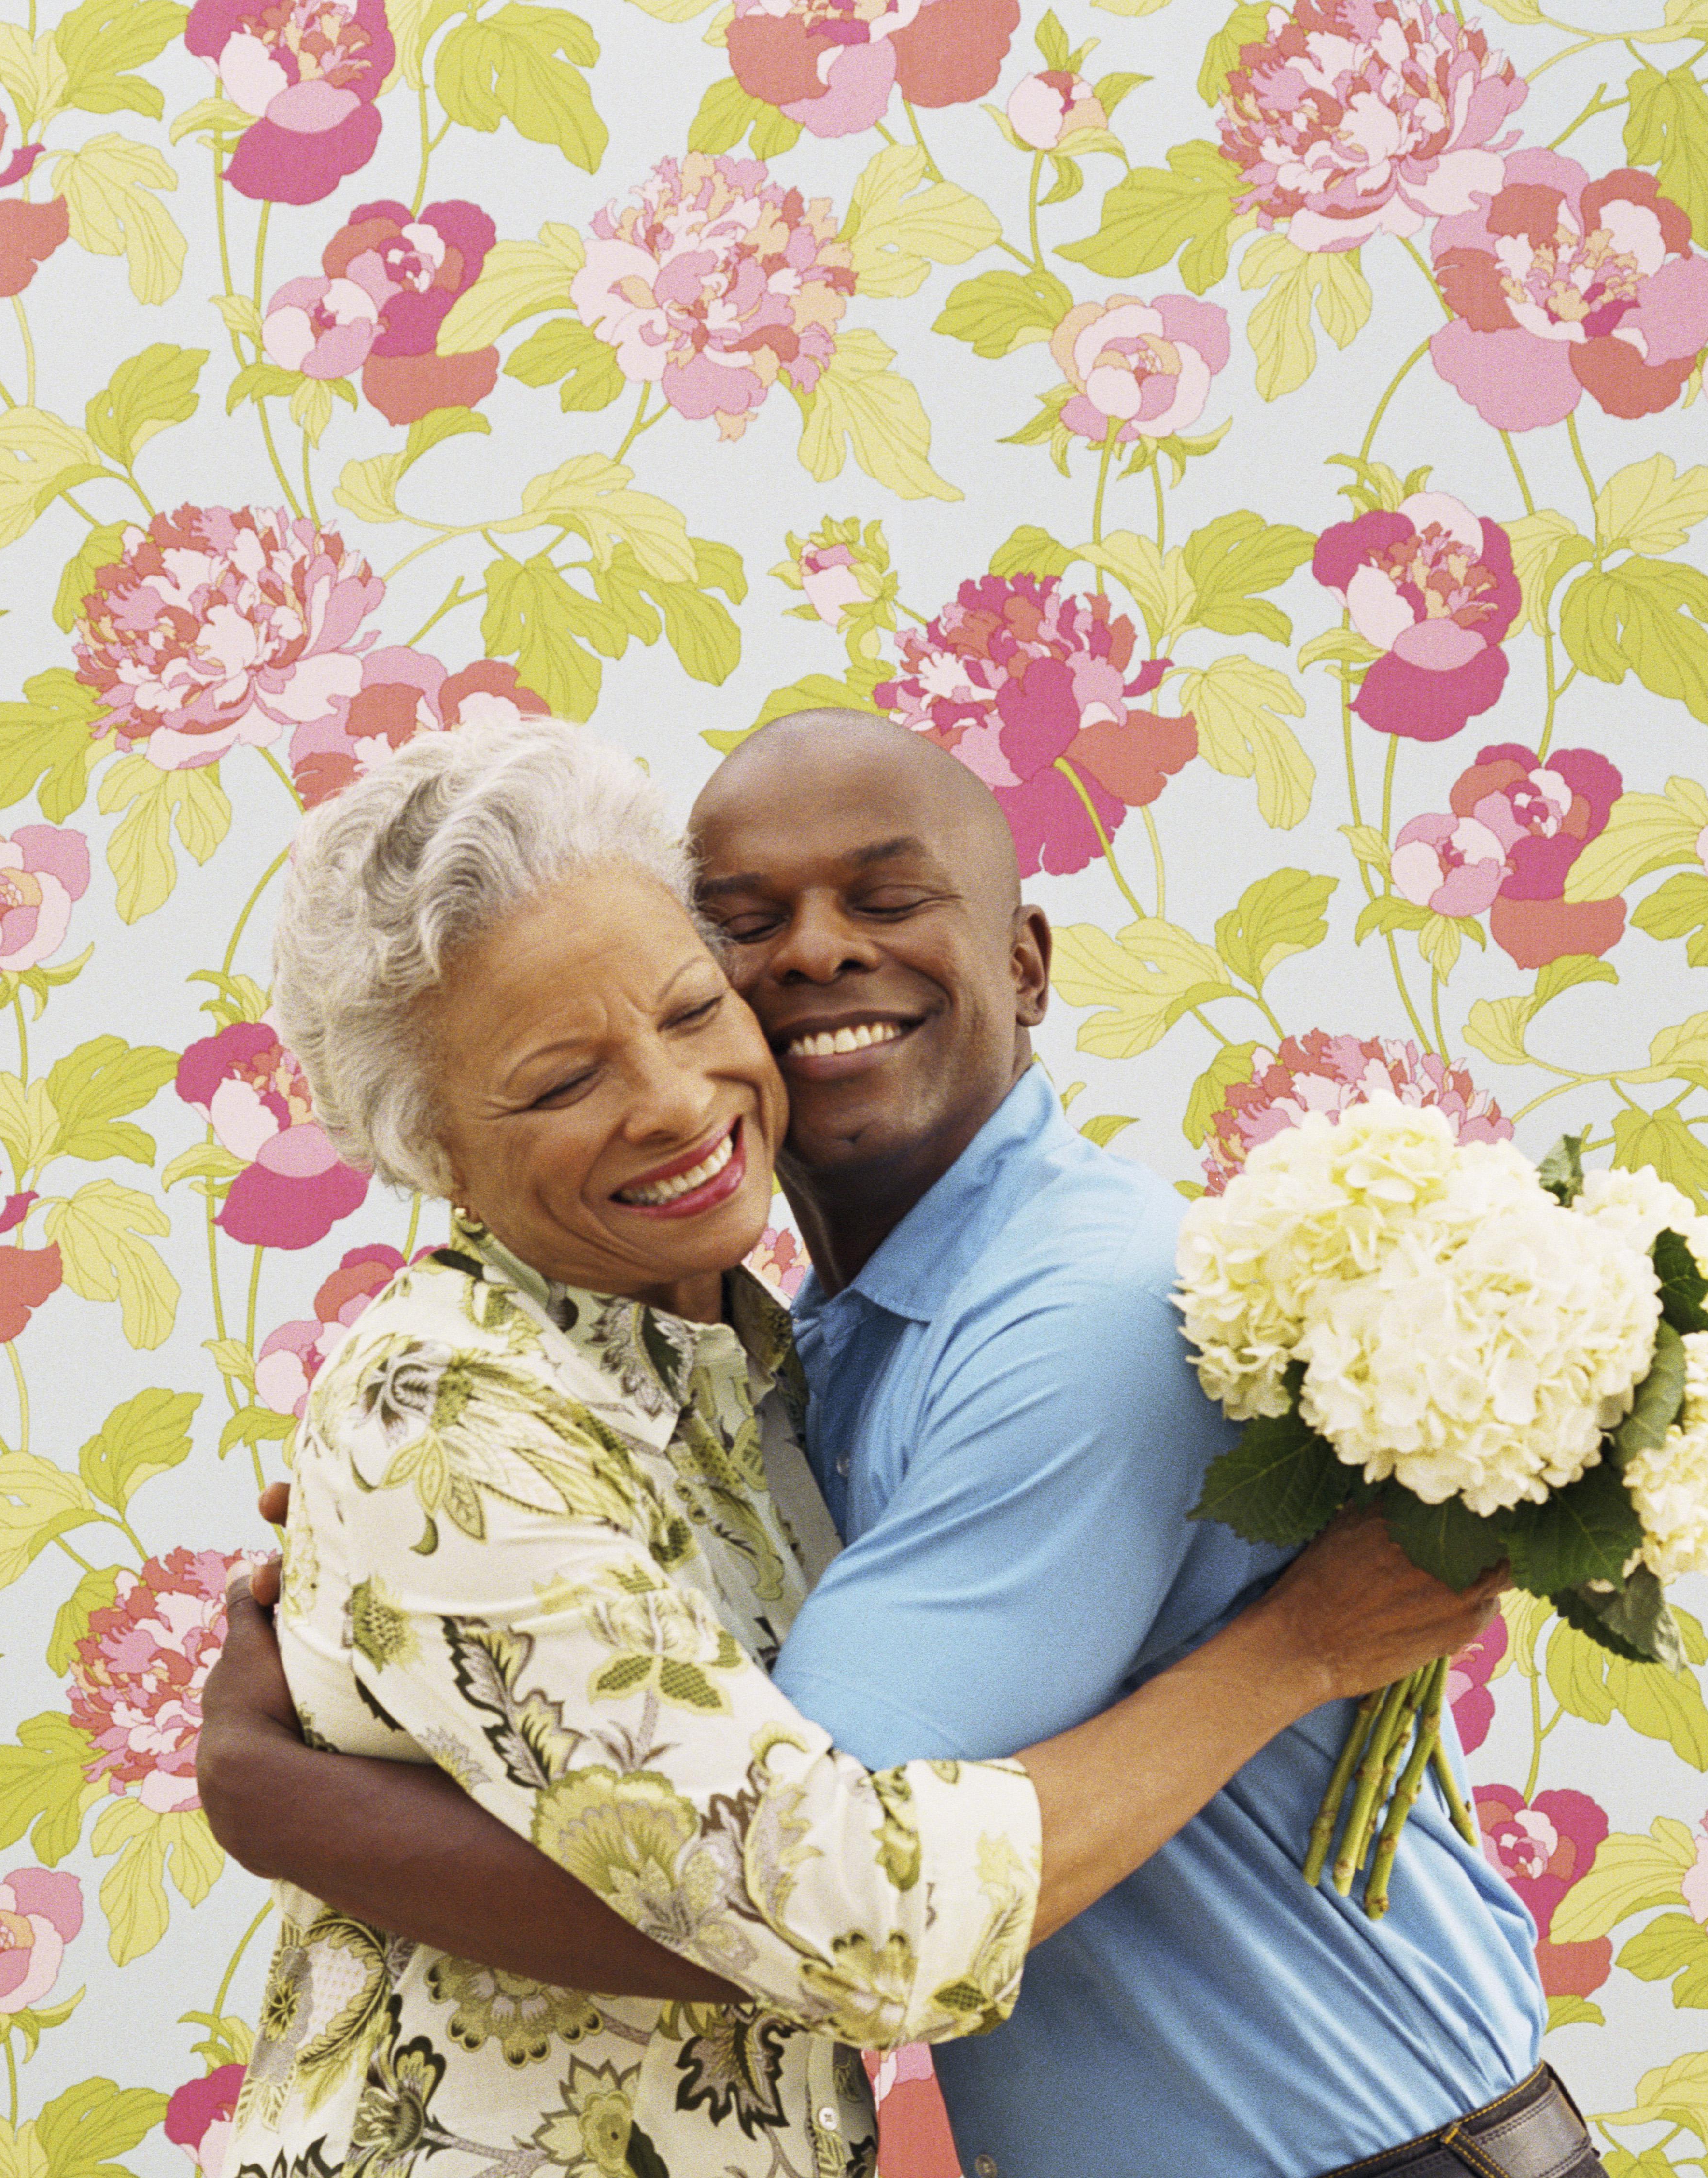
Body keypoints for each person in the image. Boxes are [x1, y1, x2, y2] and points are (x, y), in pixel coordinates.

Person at [213, 714, 1507, 2178]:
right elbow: (838, 1906)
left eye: (687, 1009)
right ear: (434, 1154)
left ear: (1026, 962)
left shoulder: (1062, 1306)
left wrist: (287, 1799)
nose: (673, 1094)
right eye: (562, 1080)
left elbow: (820, 1892)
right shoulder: (564, 1390)